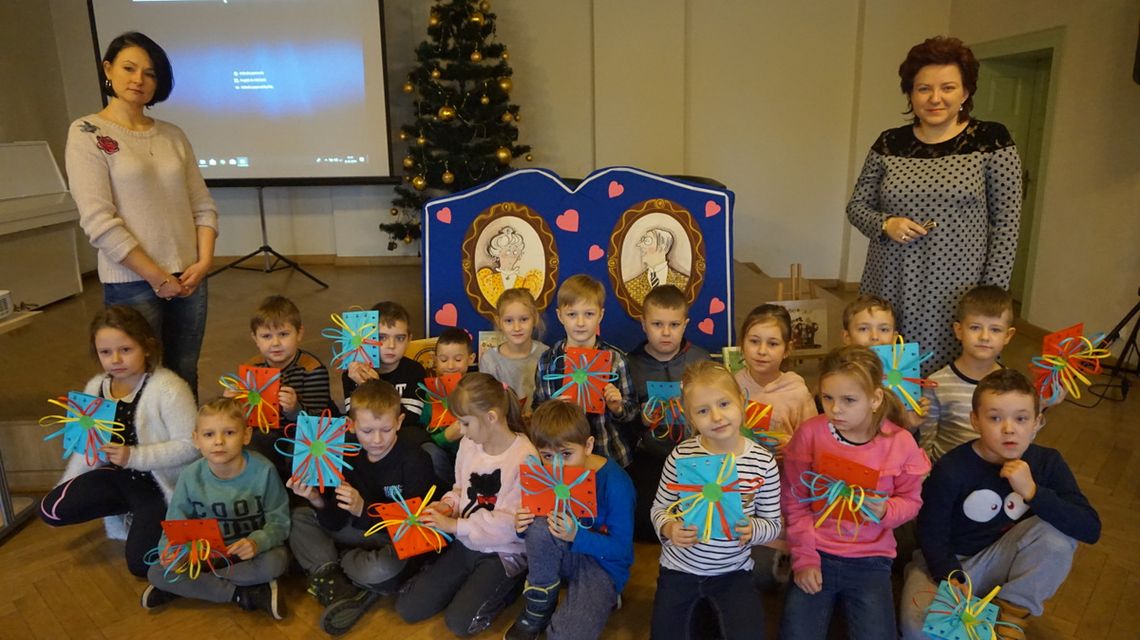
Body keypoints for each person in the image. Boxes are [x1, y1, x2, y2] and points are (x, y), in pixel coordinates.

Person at [847, 35, 1022, 377]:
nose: (935, 98)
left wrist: (990, 301)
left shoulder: (991, 140)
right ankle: (888, 429)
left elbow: (1007, 224)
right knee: (883, 372)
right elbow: (857, 206)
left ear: (966, 92)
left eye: (947, 87)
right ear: (910, 94)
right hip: (889, 281)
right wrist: (886, 224)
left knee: (949, 375)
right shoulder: (889, 143)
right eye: (924, 88)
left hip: (957, 289)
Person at [66, 31, 218, 394]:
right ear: (108, 69)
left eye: (149, 73)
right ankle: (141, 451)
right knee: (138, 379)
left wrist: (205, 261)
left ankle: (185, 449)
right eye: (129, 68)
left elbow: (203, 205)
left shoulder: (173, 135)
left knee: (184, 372)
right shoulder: (87, 132)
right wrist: (157, 277)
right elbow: (99, 222)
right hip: (131, 280)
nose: (139, 80)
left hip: (190, 278)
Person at [899, 370, 1100, 639]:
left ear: (1038, 422)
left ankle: (1011, 612)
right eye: (995, 418)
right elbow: (931, 532)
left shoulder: (1047, 462)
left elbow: (1089, 528)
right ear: (975, 421)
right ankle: (982, 610)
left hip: (1003, 561)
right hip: (949, 563)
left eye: (1021, 418)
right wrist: (950, 575)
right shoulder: (951, 468)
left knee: (1057, 536)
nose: (1009, 429)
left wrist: (1033, 491)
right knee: (917, 628)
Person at [779, 346, 930, 640]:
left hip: (871, 559)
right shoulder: (811, 435)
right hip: (816, 551)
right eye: (827, 398)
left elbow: (911, 501)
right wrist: (804, 558)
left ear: (875, 399)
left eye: (849, 400)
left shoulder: (900, 443)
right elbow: (795, 501)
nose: (835, 409)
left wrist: (887, 511)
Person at [38, 306, 198, 577]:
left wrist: (133, 457)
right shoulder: (95, 387)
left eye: (125, 349)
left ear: (146, 348)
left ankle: (150, 516)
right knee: (51, 509)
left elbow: (191, 445)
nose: (115, 359)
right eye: (105, 352)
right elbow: (84, 449)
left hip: (157, 483)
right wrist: (70, 486)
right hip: (117, 476)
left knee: (141, 565)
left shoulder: (170, 388)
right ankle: (130, 512)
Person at [288, 380, 436, 635]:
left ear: (399, 422)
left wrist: (363, 509)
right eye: (367, 431)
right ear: (351, 426)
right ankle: (344, 578)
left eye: (386, 429)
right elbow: (333, 520)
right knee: (300, 517)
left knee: (384, 569)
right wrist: (316, 498)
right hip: (355, 530)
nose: (377, 439)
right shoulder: (344, 452)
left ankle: (334, 569)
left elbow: (416, 532)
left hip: (392, 541)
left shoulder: (415, 459)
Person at [395, 374, 538, 636]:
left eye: (465, 422)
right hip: (467, 542)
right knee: (408, 608)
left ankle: (511, 585)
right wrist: (447, 506)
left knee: (459, 623)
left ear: (492, 418)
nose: (460, 429)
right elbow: (460, 488)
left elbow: (513, 525)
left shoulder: (525, 456)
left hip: (502, 553)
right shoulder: (469, 443)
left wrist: (455, 524)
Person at [650, 361, 782, 640]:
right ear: (691, 418)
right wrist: (670, 529)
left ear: (742, 401)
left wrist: (754, 530)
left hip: (733, 572)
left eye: (724, 403)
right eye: (702, 410)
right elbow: (659, 509)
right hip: (679, 570)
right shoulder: (681, 456)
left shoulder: (762, 462)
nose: (717, 416)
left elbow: (773, 523)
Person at [141, 398, 290, 620]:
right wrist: (168, 550)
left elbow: (280, 521)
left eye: (229, 433)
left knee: (276, 562)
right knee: (157, 572)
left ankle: (193, 586)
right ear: (196, 439)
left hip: (248, 554)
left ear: (246, 435)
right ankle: (242, 594)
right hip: (206, 555)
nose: (219, 442)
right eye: (209, 435)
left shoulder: (264, 471)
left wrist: (257, 542)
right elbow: (174, 524)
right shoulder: (190, 476)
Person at [505, 400, 635, 640]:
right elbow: (539, 533)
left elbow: (622, 550)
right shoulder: (543, 476)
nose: (557, 465)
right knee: (538, 525)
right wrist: (523, 526)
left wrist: (577, 535)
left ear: (588, 445)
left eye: (566, 454)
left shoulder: (616, 484)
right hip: (565, 554)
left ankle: (604, 596)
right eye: (546, 455)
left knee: (566, 635)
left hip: (602, 563)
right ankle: (540, 605)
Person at [626, 284, 710, 541]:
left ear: (685, 324)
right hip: (649, 457)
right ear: (643, 324)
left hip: (694, 457)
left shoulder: (700, 360)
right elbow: (624, 418)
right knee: (644, 524)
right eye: (657, 324)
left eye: (674, 325)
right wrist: (640, 416)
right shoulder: (631, 364)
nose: (665, 332)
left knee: (700, 521)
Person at [533, 275, 639, 467]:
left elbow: (633, 411)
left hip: (609, 456)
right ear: (560, 316)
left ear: (601, 315)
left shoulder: (616, 360)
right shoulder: (548, 361)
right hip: (562, 462)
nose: (580, 322)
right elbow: (537, 408)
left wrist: (618, 407)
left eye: (589, 314)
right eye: (572, 314)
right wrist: (552, 409)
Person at [234, 295, 334, 483]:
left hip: (301, 432)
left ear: (299, 333)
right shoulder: (252, 368)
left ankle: (304, 499)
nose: (275, 343)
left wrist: (294, 409)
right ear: (255, 338)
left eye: (283, 334)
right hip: (264, 434)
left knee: (300, 450)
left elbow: (319, 421)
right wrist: (233, 403)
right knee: (250, 445)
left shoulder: (312, 368)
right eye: (266, 336)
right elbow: (244, 418)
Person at [920, 285, 1017, 462]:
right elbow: (926, 442)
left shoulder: (1013, 384)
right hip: (950, 476)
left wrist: (1042, 405)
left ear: (1008, 336)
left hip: (996, 473)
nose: (984, 337)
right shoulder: (936, 383)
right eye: (975, 327)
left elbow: (1019, 439)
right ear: (959, 330)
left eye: (995, 329)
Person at [840, 295, 928, 432]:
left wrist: (909, 421)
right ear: (847, 337)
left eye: (884, 329)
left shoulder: (903, 374)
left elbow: (904, 434)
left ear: (894, 337)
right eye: (863, 329)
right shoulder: (838, 373)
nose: (874, 336)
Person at [734, 304, 817, 443]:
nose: (762, 351)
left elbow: (812, 438)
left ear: (787, 349)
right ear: (742, 343)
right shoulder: (733, 386)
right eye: (754, 341)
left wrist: (791, 444)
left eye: (772, 344)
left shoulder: (797, 392)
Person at [343, 301, 426, 421]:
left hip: (403, 433)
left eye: (400, 338)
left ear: (409, 339)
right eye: (382, 337)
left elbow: (411, 420)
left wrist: (375, 386)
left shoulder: (414, 371)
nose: (391, 345)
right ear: (367, 337)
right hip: (366, 434)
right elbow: (356, 419)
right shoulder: (353, 373)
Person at [479, 287, 550, 414]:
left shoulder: (546, 354)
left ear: (534, 318)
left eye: (523, 319)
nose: (517, 327)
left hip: (539, 427)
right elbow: (487, 404)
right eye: (509, 321)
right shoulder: (490, 360)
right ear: (498, 322)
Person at [422, 327, 477, 486]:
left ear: (471, 359)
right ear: (435, 360)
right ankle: (450, 493)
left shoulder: (477, 388)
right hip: (444, 457)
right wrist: (445, 437)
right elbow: (424, 434)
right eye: (444, 360)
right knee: (428, 451)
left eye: (458, 359)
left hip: (474, 455)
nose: (451, 366)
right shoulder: (430, 393)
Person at [476, 226, 544, 306]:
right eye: (507, 252)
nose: (511, 256)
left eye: (515, 252)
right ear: (497, 254)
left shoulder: (526, 282)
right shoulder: (487, 280)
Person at [622, 228, 690, 306]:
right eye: (642, 240)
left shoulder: (684, 282)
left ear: (663, 246)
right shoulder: (630, 286)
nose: (640, 245)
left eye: (647, 241)